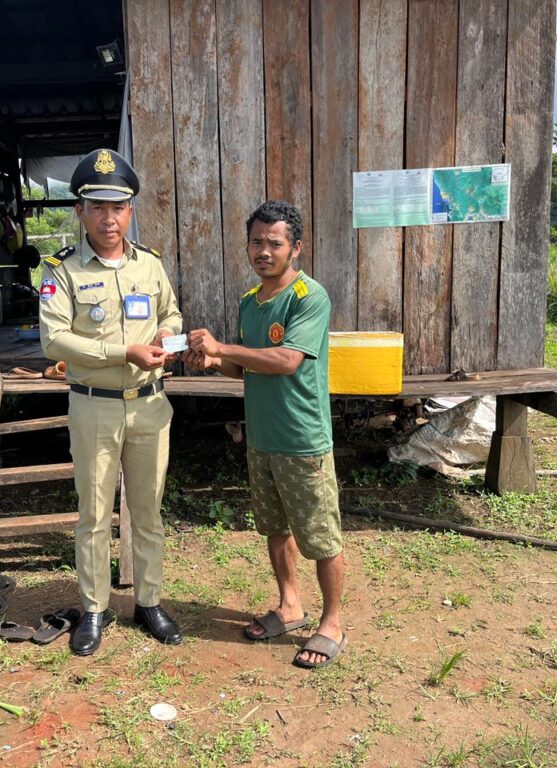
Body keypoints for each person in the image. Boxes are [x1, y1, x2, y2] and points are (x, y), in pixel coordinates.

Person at [185, 200, 345, 669]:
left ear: (296, 248)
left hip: (302, 439)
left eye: (274, 243)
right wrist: (214, 361)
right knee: (275, 528)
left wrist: (224, 346)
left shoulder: (309, 297)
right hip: (262, 438)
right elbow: (246, 367)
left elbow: (287, 360)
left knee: (321, 537)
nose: (264, 251)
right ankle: (290, 605)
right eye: (256, 242)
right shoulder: (249, 302)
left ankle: (332, 622)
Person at [39, 148, 184, 656]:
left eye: (118, 207)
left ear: (130, 210)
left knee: (148, 511)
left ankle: (149, 602)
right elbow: (54, 341)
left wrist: (165, 335)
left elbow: (171, 313)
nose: (109, 218)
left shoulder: (150, 264)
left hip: (149, 405)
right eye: (97, 207)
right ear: (80, 211)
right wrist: (124, 351)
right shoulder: (60, 270)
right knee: (94, 514)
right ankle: (94, 609)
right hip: (94, 406)